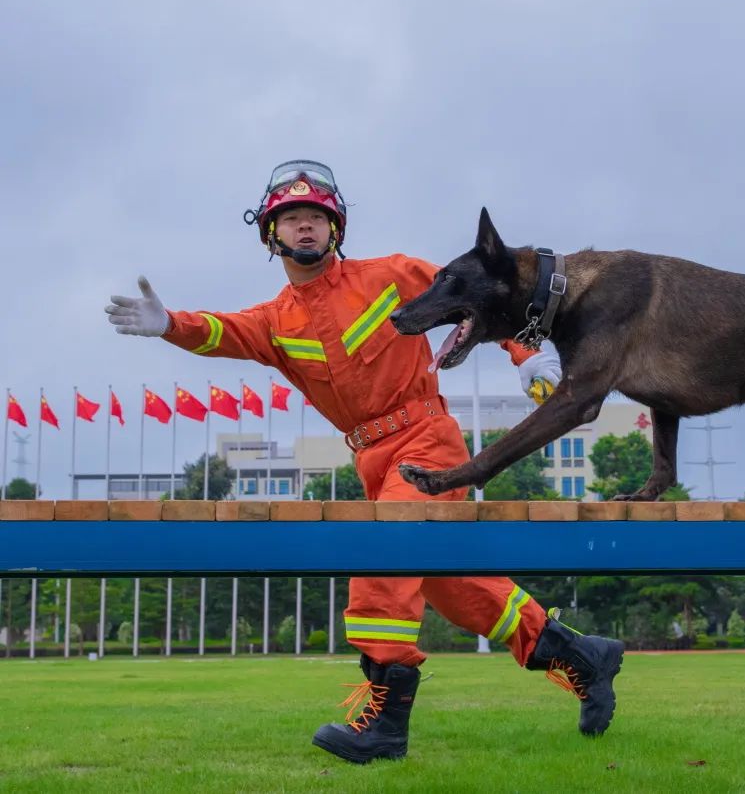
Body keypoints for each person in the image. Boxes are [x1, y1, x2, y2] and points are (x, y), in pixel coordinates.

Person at [104, 160, 624, 765]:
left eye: (316, 219)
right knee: (458, 591)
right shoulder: (274, 322)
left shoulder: (390, 275)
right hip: (373, 461)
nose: (305, 228)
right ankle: (585, 657)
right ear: (272, 235)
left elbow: (480, 296)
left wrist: (526, 355)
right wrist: (169, 325)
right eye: (291, 219)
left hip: (426, 442)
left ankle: (383, 725)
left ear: (336, 229)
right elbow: (218, 331)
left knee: (380, 551)